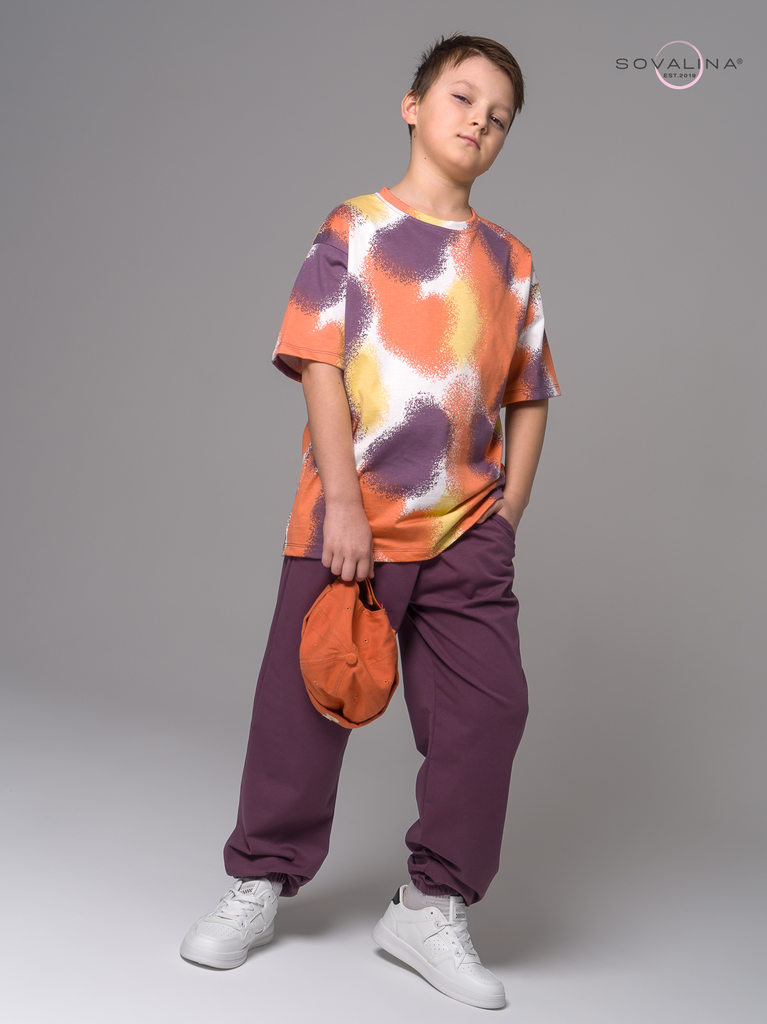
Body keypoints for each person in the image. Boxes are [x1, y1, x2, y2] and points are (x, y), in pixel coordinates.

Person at [180, 33, 560, 1010]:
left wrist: (509, 511)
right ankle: (259, 878)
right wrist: (343, 502)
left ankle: (430, 905)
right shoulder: (353, 228)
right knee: (304, 706)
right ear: (412, 105)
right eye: (462, 97)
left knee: (488, 713)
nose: (478, 121)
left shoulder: (509, 260)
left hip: (465, 527)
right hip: (349, 522)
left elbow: (529, 393)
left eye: (498, 116)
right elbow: (316, 359)